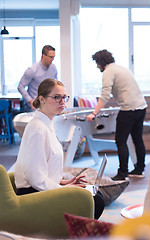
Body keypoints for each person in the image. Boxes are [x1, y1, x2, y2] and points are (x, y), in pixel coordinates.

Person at [14, 78, 104, 219]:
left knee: (95, 195)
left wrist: (62, 182)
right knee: (95, 201)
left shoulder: (47, 124)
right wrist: (64, 189)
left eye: (64, 97)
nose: (62, 102)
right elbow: (35, 179)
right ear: (42, 99)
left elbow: (43, 169)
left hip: (41, 189)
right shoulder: (37, 129)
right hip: (33, 195)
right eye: (57, 97)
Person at [86, 49, 147, 181]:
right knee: (137, 139)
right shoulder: (120, 68)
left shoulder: (108, 71)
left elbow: (105, 95)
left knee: (120, 141)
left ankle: (122, 172)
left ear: (102, 62)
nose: (97, 66)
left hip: (129, 109)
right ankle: (139, 169)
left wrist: (94, 113)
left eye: (97, 63)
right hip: (141, 107)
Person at [18, 45, 58, 112]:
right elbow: (20, 87)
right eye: (50, 57)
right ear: (43, 56)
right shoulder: (32, 70)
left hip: (48, 105)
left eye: (54, 57)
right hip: (34, 106)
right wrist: (30, 100)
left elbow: (55, 86)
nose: (52, 59)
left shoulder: (53, 69)